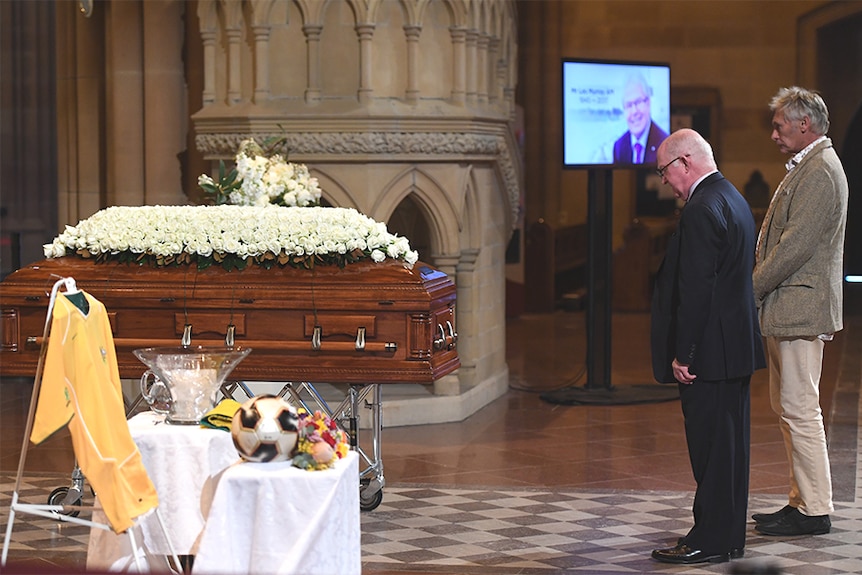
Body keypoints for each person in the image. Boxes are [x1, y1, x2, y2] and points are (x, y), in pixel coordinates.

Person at [650, 128, 766, 565]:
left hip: (710, 355)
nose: (664, 180)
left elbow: (697, 288)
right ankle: (727, 535)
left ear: (684, 163)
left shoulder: (700, 208)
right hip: (733, 348)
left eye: (665, 170)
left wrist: (685, 353)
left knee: (712, 451)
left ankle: (710, 540)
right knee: (729, 451)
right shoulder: (732, 196)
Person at [750, 87, 848, 537]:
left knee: (800, 408)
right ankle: (801, 500)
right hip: (790, 305)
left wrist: (749, 289)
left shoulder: (821, 171)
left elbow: (794, 247)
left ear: (803, 124)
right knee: (789, 407)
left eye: (779, 125)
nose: (774, 134)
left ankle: (814, 510)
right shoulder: (810, 166)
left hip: (801, 306)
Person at [612, 73, 668, 164]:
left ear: (648, 102)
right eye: (629, 105)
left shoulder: (665, 144)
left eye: (638, 102)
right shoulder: (619, 147)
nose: (634, 111)